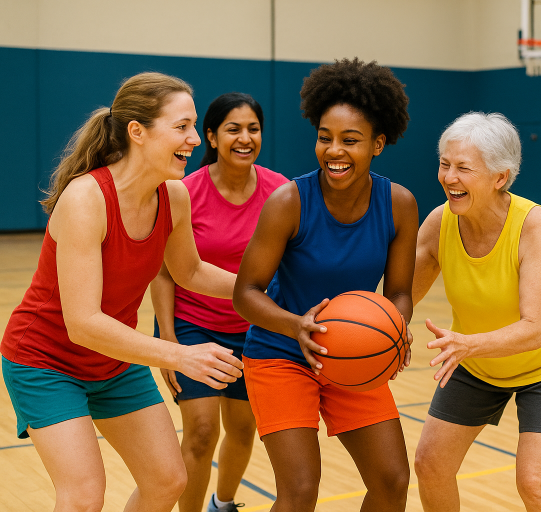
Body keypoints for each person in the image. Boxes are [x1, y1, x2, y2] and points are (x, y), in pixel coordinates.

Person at [1, 72, 245, 512]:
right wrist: (178, 354)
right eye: (182, 127)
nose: (194, 138)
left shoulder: (174, 195)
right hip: (46, 360)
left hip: (113, 361)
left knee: (168, 481)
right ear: (138, 132)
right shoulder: (86, 199)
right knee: (82, 495)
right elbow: (83, 323)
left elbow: (189, 271)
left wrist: (268, 290)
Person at [232, 58, 418, 512]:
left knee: (392, 481)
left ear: (378, 143)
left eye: (350, 141)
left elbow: (398, 292)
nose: (334, 150)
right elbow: (246, 292)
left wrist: (396, 326)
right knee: (298, 493)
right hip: (281, 352)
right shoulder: (288, 202)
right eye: (325, 137)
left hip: (353, 351)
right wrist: (295, 325)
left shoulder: (398, 204)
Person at [412, 112, 541, 512]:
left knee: (536, 483)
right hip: (476, 362)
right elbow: (400, 296)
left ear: (500, 178)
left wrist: (466, 345)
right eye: (444, 164)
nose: (448, 177)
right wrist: (379, 328)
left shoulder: (534, 224)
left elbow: (534, 329)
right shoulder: (439, 223)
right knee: (431, 465)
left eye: (463, 168)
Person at [151, 92, 288, 512]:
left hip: (253, 328)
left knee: (243, 430)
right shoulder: (184, 192)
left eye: (253, 129)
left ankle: (222, 504)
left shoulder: (280, 192)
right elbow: (162, 272)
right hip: (192, 324)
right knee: (201, 431)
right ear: (210, 135)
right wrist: (169, 341)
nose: (245, 138)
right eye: (233, 129)